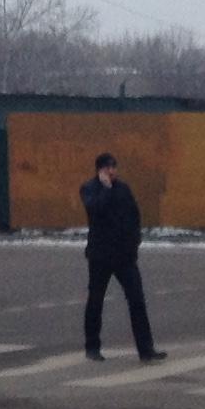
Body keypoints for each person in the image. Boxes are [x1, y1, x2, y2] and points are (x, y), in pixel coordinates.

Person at [78, 152, 160, 362]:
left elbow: (134, 215)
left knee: (137, 300)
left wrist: (135, 241)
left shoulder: (123, 189)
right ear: (99, 170)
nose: (112, 171)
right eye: (107, 168)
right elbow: (95, 210)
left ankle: (146, 349)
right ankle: (92, 347)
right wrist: (105, 189)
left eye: (114, 167)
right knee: (96, 300)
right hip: (101, 255)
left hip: (124, 256)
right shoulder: (89, 189)